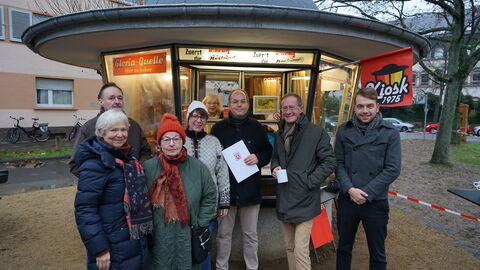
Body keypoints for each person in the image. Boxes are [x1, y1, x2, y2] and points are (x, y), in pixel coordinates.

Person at [74, 109, 152, 270]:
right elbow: (85, 210)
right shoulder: (94, 164)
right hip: (112, 246)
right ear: (101, 133)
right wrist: (100, 249)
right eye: (114, 130)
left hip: (132, 240)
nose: (120, 134)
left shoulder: (129, 159)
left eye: (123, 129)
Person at [334, 87, 401, 270]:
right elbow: (338, 164)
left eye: (369, 106)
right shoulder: (343, 130)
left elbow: (393, 169)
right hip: (348, 199)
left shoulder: (390, 132)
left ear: (377, 107)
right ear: (354, 108)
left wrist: (366, 192)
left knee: (378, 253)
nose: (365, 111)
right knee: (343, 248)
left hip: (375, 201)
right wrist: (350, 189)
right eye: (360, 106)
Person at [271, 93, 336, 270]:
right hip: (285, 198)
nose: (288, 111)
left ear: (300, 109)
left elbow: (330, 161)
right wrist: (274, 168)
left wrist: (309, 181)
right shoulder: (279, 134)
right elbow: (275, 158)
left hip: (306, 200)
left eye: (292, 107)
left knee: (300, 250)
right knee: (290, 248)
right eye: (285, 108)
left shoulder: (316, 133)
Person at [143, 113, 217, 269]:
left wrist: (200, 222)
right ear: (159, 143)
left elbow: (210, 195)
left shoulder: (197, 167)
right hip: (158, 234)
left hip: (188, 233)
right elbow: (141, 201)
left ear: (183, 141)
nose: (171, 144)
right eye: (166, 139)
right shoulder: (148, 168)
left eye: (176, 139)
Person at [211, 89, 273, 270]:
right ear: (229, 104)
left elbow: (268, 152)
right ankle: (222, 267)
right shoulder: (218, 129)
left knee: (251, 235)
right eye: (235, 101)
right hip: (226, 191)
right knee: (223, 234)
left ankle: (251, 267)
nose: (239, 104)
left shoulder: (257, 127)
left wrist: (258, 158)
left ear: (248, 104)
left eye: (243, 101)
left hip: (250, 189)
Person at [184, 101, 230, 270]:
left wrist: (224, 201)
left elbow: (222, 171)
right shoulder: (178, 139)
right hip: (183, 204)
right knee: (184, 246)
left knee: (203, 245)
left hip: (207, 205)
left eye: (202, 117)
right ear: (187, 117)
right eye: (195, 116)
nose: (198, 120)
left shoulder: (214, 142)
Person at [69, 82, 152, 175]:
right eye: (111, 98)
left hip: (133, 184)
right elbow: (75, 164)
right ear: (101, 102)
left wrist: (136, 168)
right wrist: (103, 180)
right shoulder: (88, 128)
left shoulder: (134, 126)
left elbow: (146, 152)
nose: (117, 101)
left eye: (120, 98)